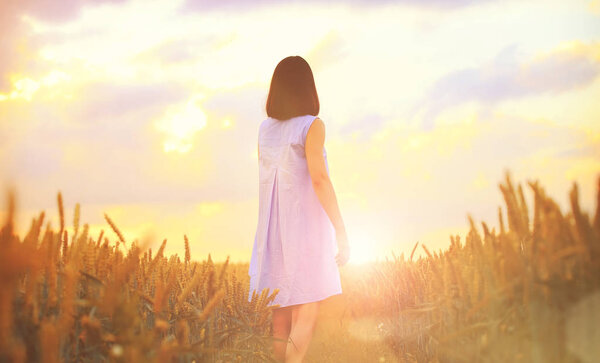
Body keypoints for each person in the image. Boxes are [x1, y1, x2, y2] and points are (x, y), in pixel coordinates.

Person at [248, 55, 351, 362]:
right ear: (308, 89)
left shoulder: (265, 130)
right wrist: (341, 229)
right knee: (307, 307)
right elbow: (319, 178)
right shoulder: (312, 126)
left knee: (280, 314)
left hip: (273, 231)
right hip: (305, 229)